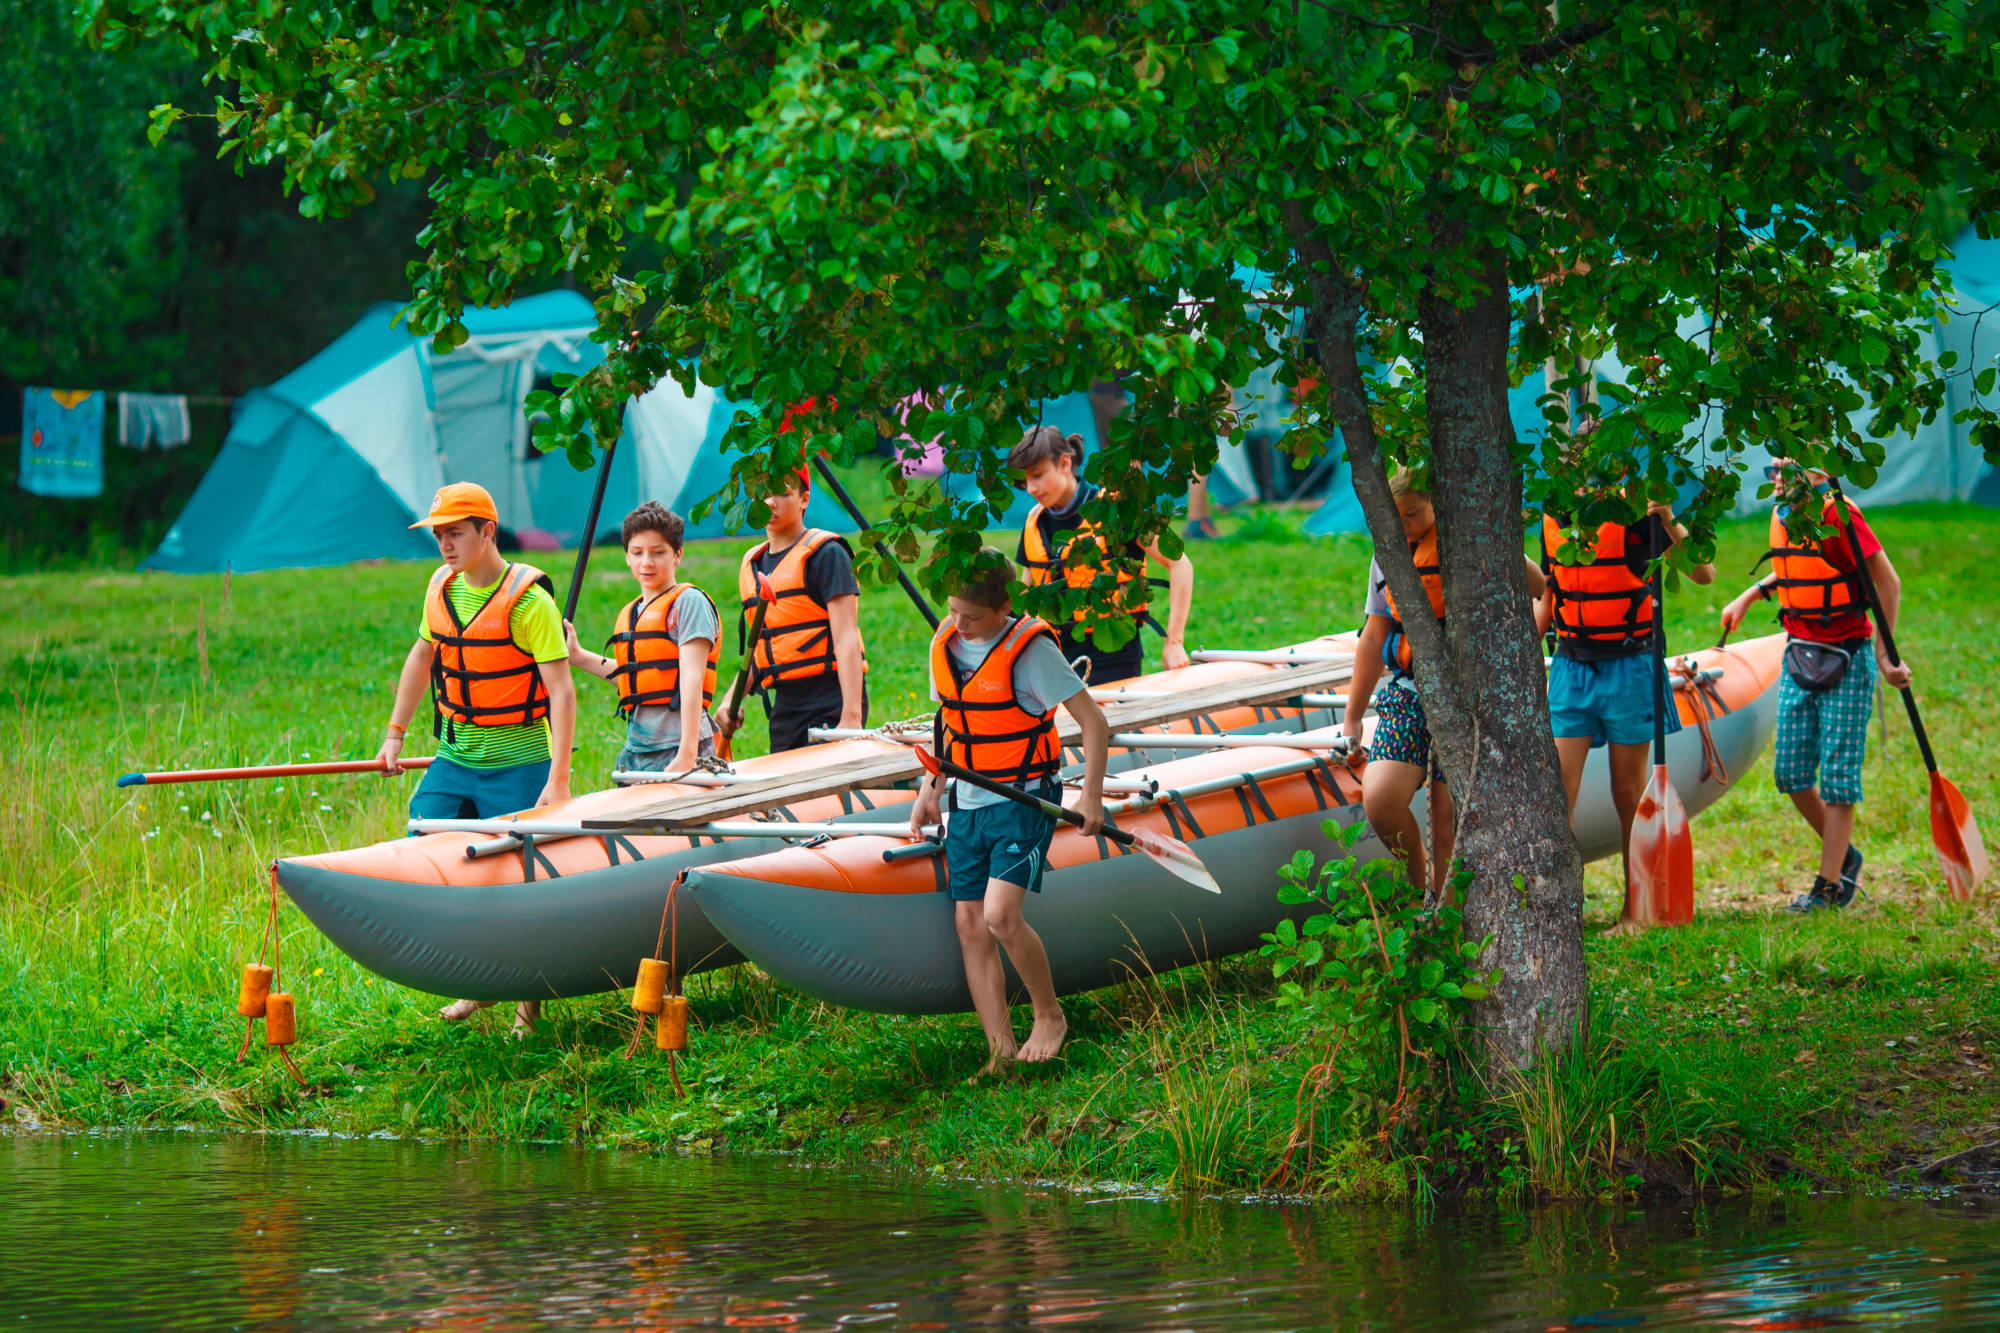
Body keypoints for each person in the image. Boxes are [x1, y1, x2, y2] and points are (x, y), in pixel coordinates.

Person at [373, 481, 576, 1034]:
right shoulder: (440, 587)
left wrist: (557, 782)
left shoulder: (530, 602)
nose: (445, 545)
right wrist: (395, 733)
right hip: (455, 756)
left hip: (520, 763)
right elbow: (422, 656)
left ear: (488, 531)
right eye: (439, 534)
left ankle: (526, 1004)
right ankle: (475, 982)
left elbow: (561, 691)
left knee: (516, 881)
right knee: (429, 846)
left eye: (456, 533)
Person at [910, 550, 1110, 1074]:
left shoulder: (1032, 652)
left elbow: (1093, 723)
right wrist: (931, 787)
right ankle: (999, 1051)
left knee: (999, 915)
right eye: (952, 611)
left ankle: (1049, 1015)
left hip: (1023, 797)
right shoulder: (947, 645)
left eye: (972, 617)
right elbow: (949, 721)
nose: (959, 624)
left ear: (1003, 608)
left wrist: (1090, 795)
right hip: (967, 800)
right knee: (970, 924)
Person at [1342, 469, 1548, 901]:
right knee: (1380, 800)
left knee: (1448, 818)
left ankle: (1449, 924)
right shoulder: (1388, 555)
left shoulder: (1466, 541)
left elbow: (1537, 587)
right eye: (1393, 519)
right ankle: (1424, 894)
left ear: (1436, 503)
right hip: (1411, 691)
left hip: (1468, 699)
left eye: (1412, 514)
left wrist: (1497, 538)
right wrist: (1353, 719)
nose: (1403, 527)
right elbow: (1374, 636)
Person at [1719, 459, 1910, 912]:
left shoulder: (1838, 516)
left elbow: (1888, 582)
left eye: (1791, 469)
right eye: (1773, 469)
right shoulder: (1788, 514)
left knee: (1838, 780)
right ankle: (1844, 855)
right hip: (1800, 651)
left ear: (1820, 472)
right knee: (1790, 774)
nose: (1779, 479)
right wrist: (1751, 593)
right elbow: (1798, 565)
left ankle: (1829, 886)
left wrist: (1884, 656)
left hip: (1847, 656)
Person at [1541, 494, 1715, 923]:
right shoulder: (1553, 517)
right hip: (1570, 662)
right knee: (1556, 787)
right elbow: (1548, 598)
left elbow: (1703, 574)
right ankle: (1559, 912)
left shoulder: (1639, 515)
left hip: (1631, 661)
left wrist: (1669, 518)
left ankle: (1636, 910)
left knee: (1627, 790)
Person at [1008, 425, 1193, 684]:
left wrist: (1174, 642)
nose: (1031, 487)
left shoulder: (1116, 510)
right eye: (1025, 480)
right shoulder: (1035, 523)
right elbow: (1022, 600)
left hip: (1113, 654)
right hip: (1053, 657)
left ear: (1064, 463)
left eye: (1037, 475)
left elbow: (1180, 565)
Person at [562, 501, 719, 781]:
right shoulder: (632, 611)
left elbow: (692, 677)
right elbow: (637, 676)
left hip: (678, 746)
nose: (646, 562)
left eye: (658, 553)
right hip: (638, 746)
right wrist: (578, 656)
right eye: (638, 553)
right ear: (627, 557)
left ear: (677, 555)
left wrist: (688, 753)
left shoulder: (689, 602)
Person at [716, 466, 866, 753]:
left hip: (831, 699)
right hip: (785, 707)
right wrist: (729, 700)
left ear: (804, 499)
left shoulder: (827, 553)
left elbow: (846, 638)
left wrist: (851, 717)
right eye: (762, 493)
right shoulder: (753, 563)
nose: (770, 503)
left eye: (782, 493)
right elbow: (760, 650)